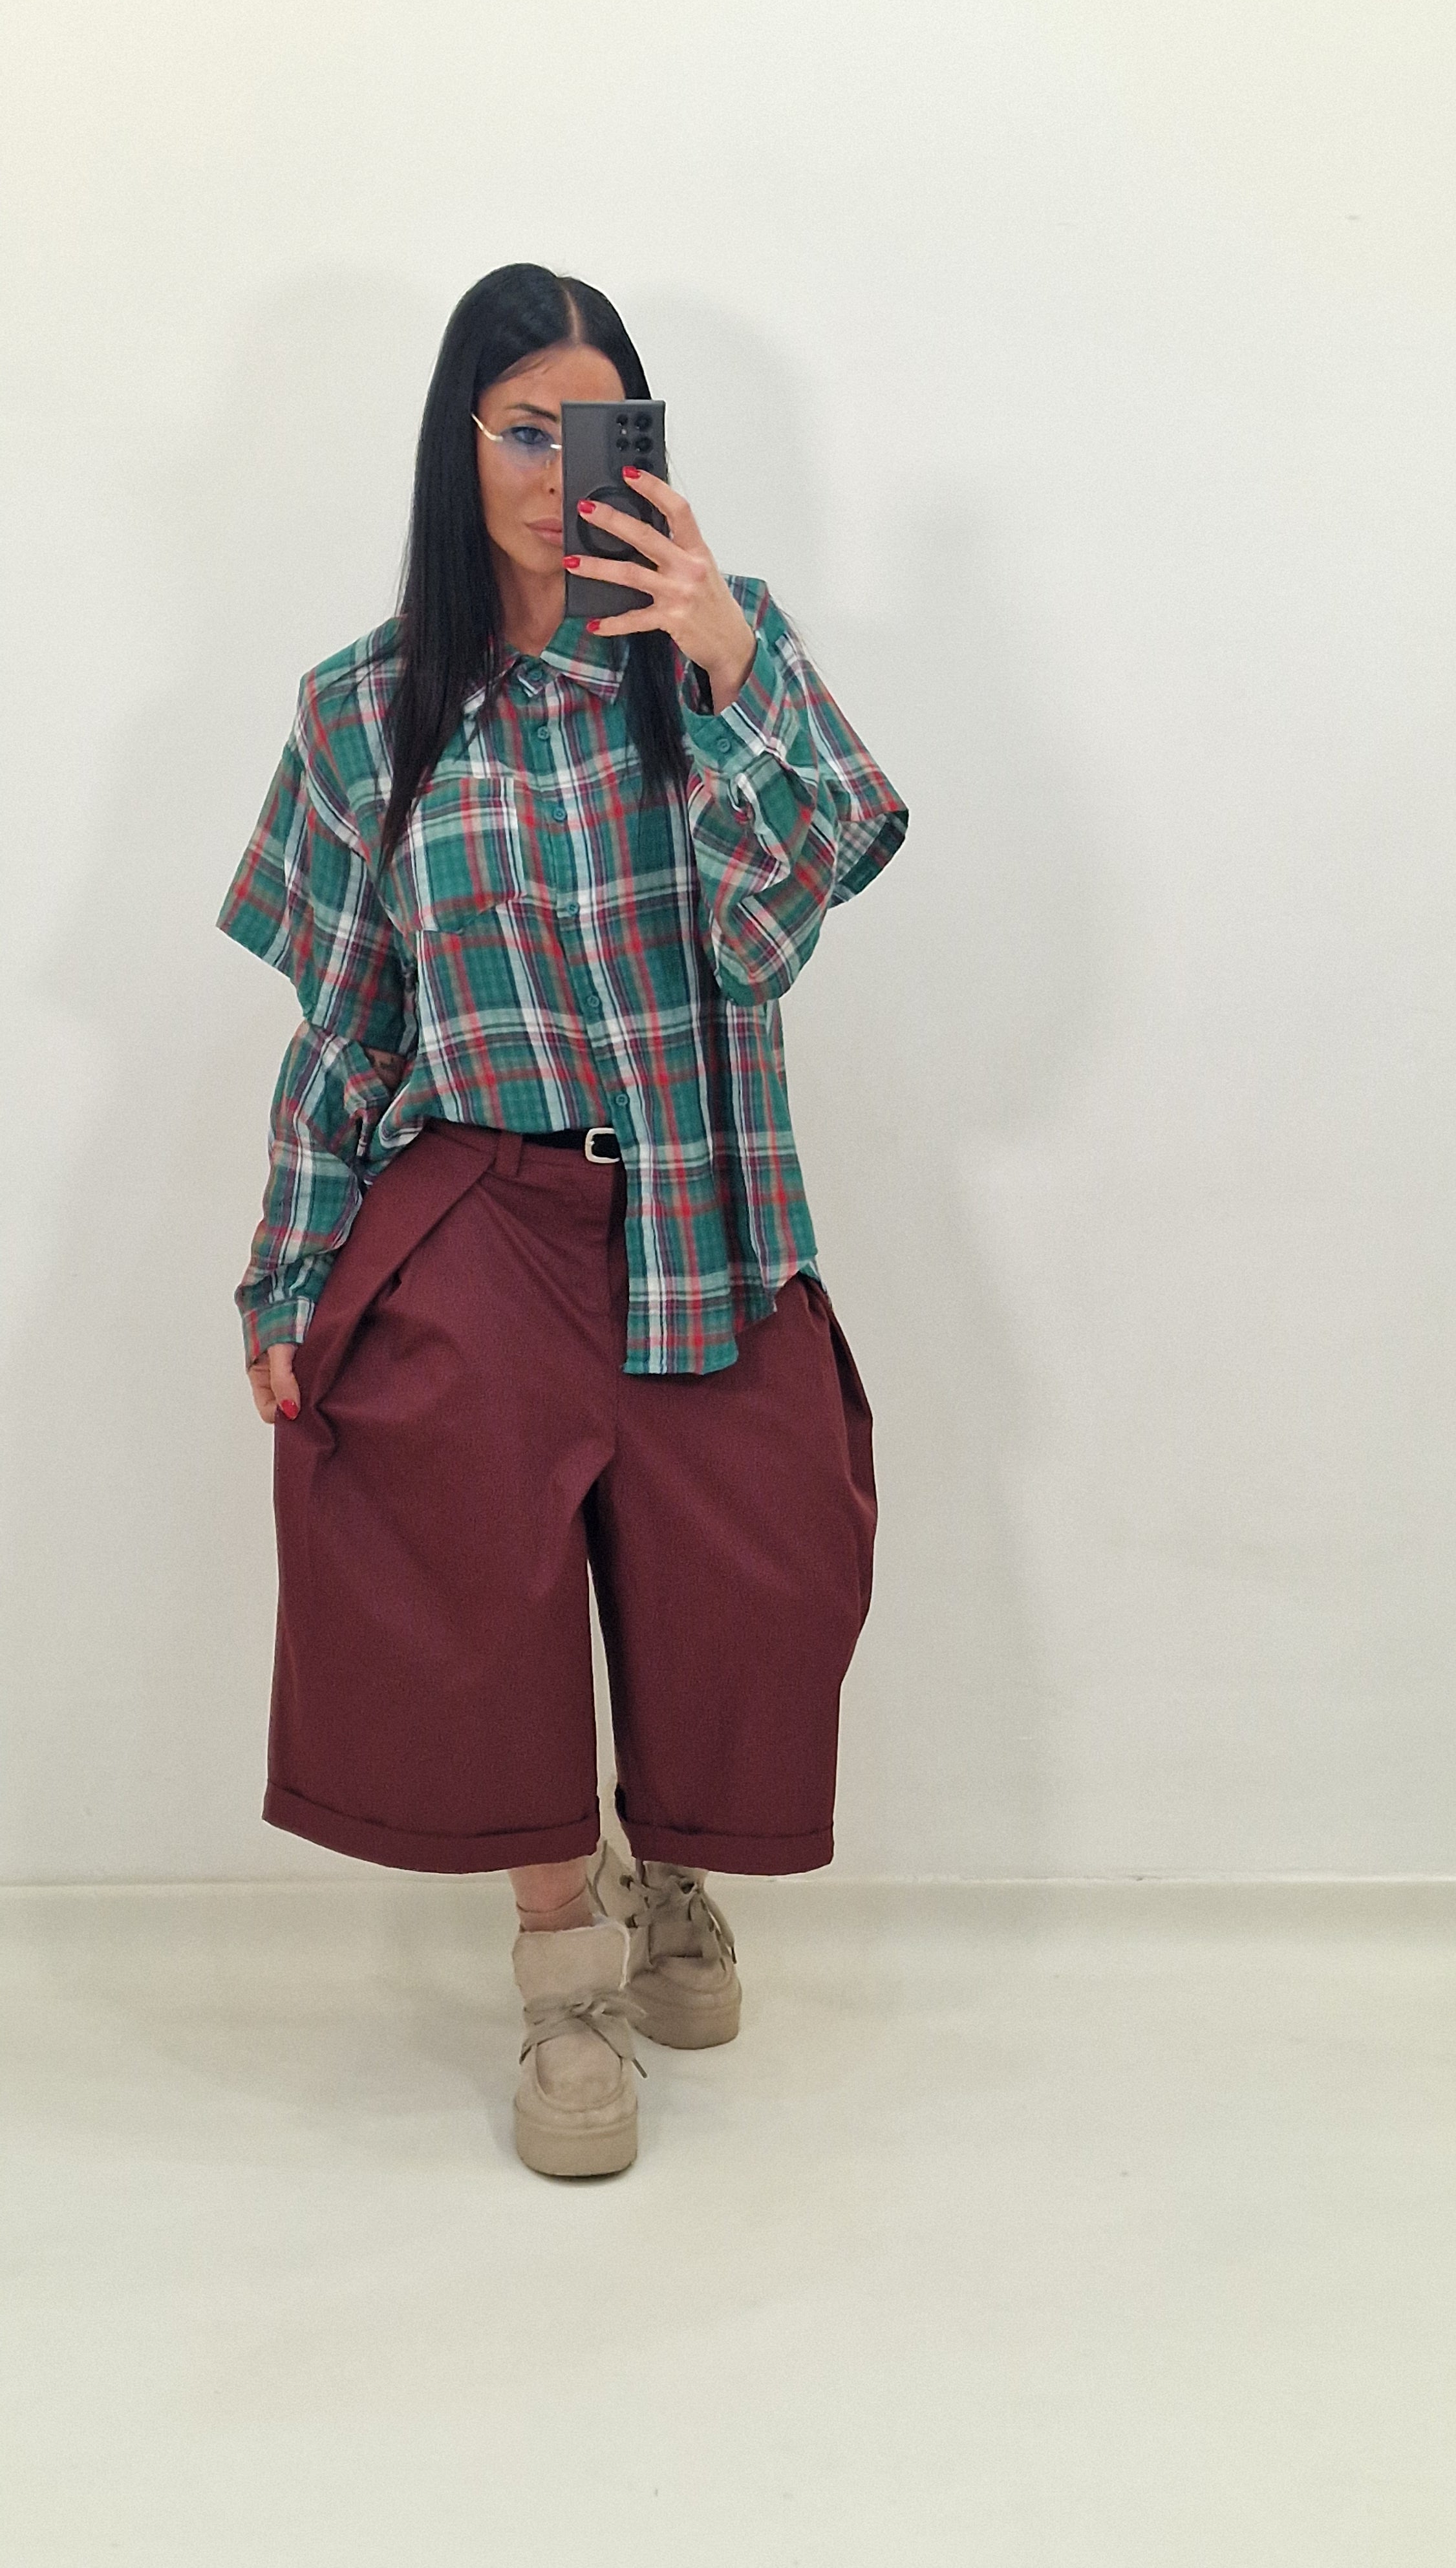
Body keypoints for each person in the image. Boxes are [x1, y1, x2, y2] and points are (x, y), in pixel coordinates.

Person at [217, 261, 908, 2179]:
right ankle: (561, 1975)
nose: (556, 474)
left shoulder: (715, 653)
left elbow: (793, 907)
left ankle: (675, 1868)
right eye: (524, 430)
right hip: (478, 1210)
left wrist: (731, 664)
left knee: (752, 1576)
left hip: (705, 1192)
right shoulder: (363, 709)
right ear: (460, 446)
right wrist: (285, 1269)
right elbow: (346, 1019)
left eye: (595, 432)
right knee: (485, 1593)